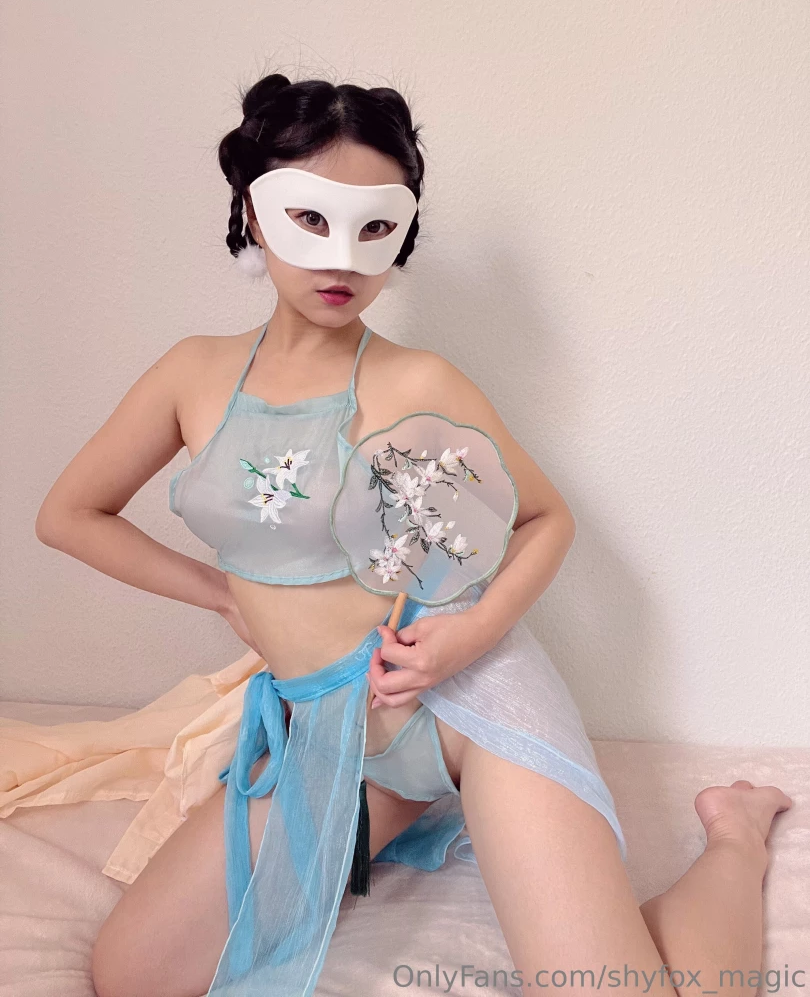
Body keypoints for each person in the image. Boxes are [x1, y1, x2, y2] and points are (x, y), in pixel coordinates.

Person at [33, 74, 791, 997]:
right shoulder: (191, 375)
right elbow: (69, 516)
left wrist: (468, 636)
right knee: (134, 975)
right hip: (335, 735)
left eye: (374, 228)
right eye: (310, 218)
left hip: (467, 710)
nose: (341, 259)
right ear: (253, 213)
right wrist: (223, 594)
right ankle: (419, 818)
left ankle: (736, 836)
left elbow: (547, 520)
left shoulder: (420, 381)